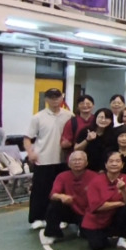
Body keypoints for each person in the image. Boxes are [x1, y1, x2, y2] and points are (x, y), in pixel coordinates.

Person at [25, 87, 72, 230]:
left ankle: (60, 218)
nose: (55, 100)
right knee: (40, 190)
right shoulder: (38, 117)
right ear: (46, 99)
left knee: (61, 192)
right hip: (43, 159)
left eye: (57, 97)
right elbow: (27, 138)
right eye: (51, 97)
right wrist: (30, 152)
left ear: (62, 98)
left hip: (62, 160)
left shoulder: (69, 115)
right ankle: (37, 218)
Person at [81, 151, 126, 250]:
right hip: (96, 221)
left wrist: (124, 189)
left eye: (117, 161)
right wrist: (120, 203)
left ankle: (122, 239)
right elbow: (97, 207)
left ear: (122, 165)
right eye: (111, 161)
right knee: (97, 246)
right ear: (105, 165)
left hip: (114, 218)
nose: (114, 164)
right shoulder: (95, 181)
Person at [39, 151, 93, 245]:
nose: (77, 162)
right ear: (69, 163)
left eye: (80, 160)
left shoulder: (94, 177)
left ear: (86, 163)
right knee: (54, 205)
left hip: (87, 212)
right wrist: (62, 196)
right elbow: (53, 194)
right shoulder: (62, 176)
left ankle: (82, 228)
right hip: (70, 210)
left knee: (88, 235)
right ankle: (52, 233)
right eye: (74, 160)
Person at [73, 107, 115, 173]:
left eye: (106, 118)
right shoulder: (86, 130)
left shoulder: (114, 133)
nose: (103, 120)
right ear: (95, 118)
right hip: (86, 168)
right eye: (101, 117)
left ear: (111, 120)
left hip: (106, 169)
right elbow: (76, 149)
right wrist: (87, 140)